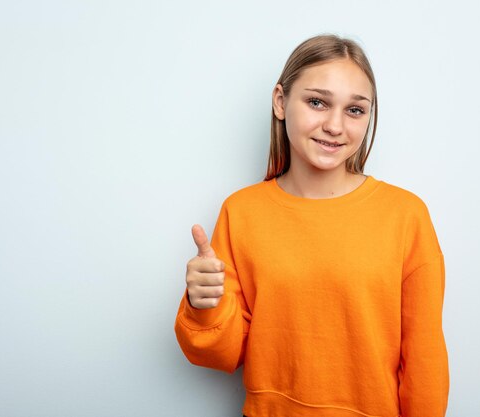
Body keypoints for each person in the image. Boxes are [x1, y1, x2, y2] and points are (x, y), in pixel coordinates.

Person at [174, 33, 449, 417]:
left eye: (355, 110)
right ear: (280, 101)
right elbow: (224, 356)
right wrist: (204, 305)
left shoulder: (405, 214)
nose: (335, 126)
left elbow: (424, 358)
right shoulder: (241, 211)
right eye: (317, 102)